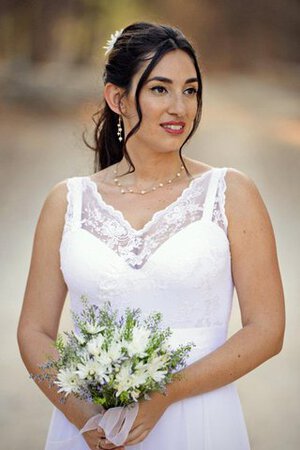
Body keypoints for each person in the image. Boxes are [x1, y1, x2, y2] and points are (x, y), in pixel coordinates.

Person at [17, 22, 285, 450]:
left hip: (200, 422)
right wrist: (83, 417)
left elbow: (267, 329)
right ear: (118, 98)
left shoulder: (231, 193)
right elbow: (33, 330)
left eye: (191, 90)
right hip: (91, 429)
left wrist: (166, 394)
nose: (180, 107)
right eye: (160, 89)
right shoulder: (66, 202)